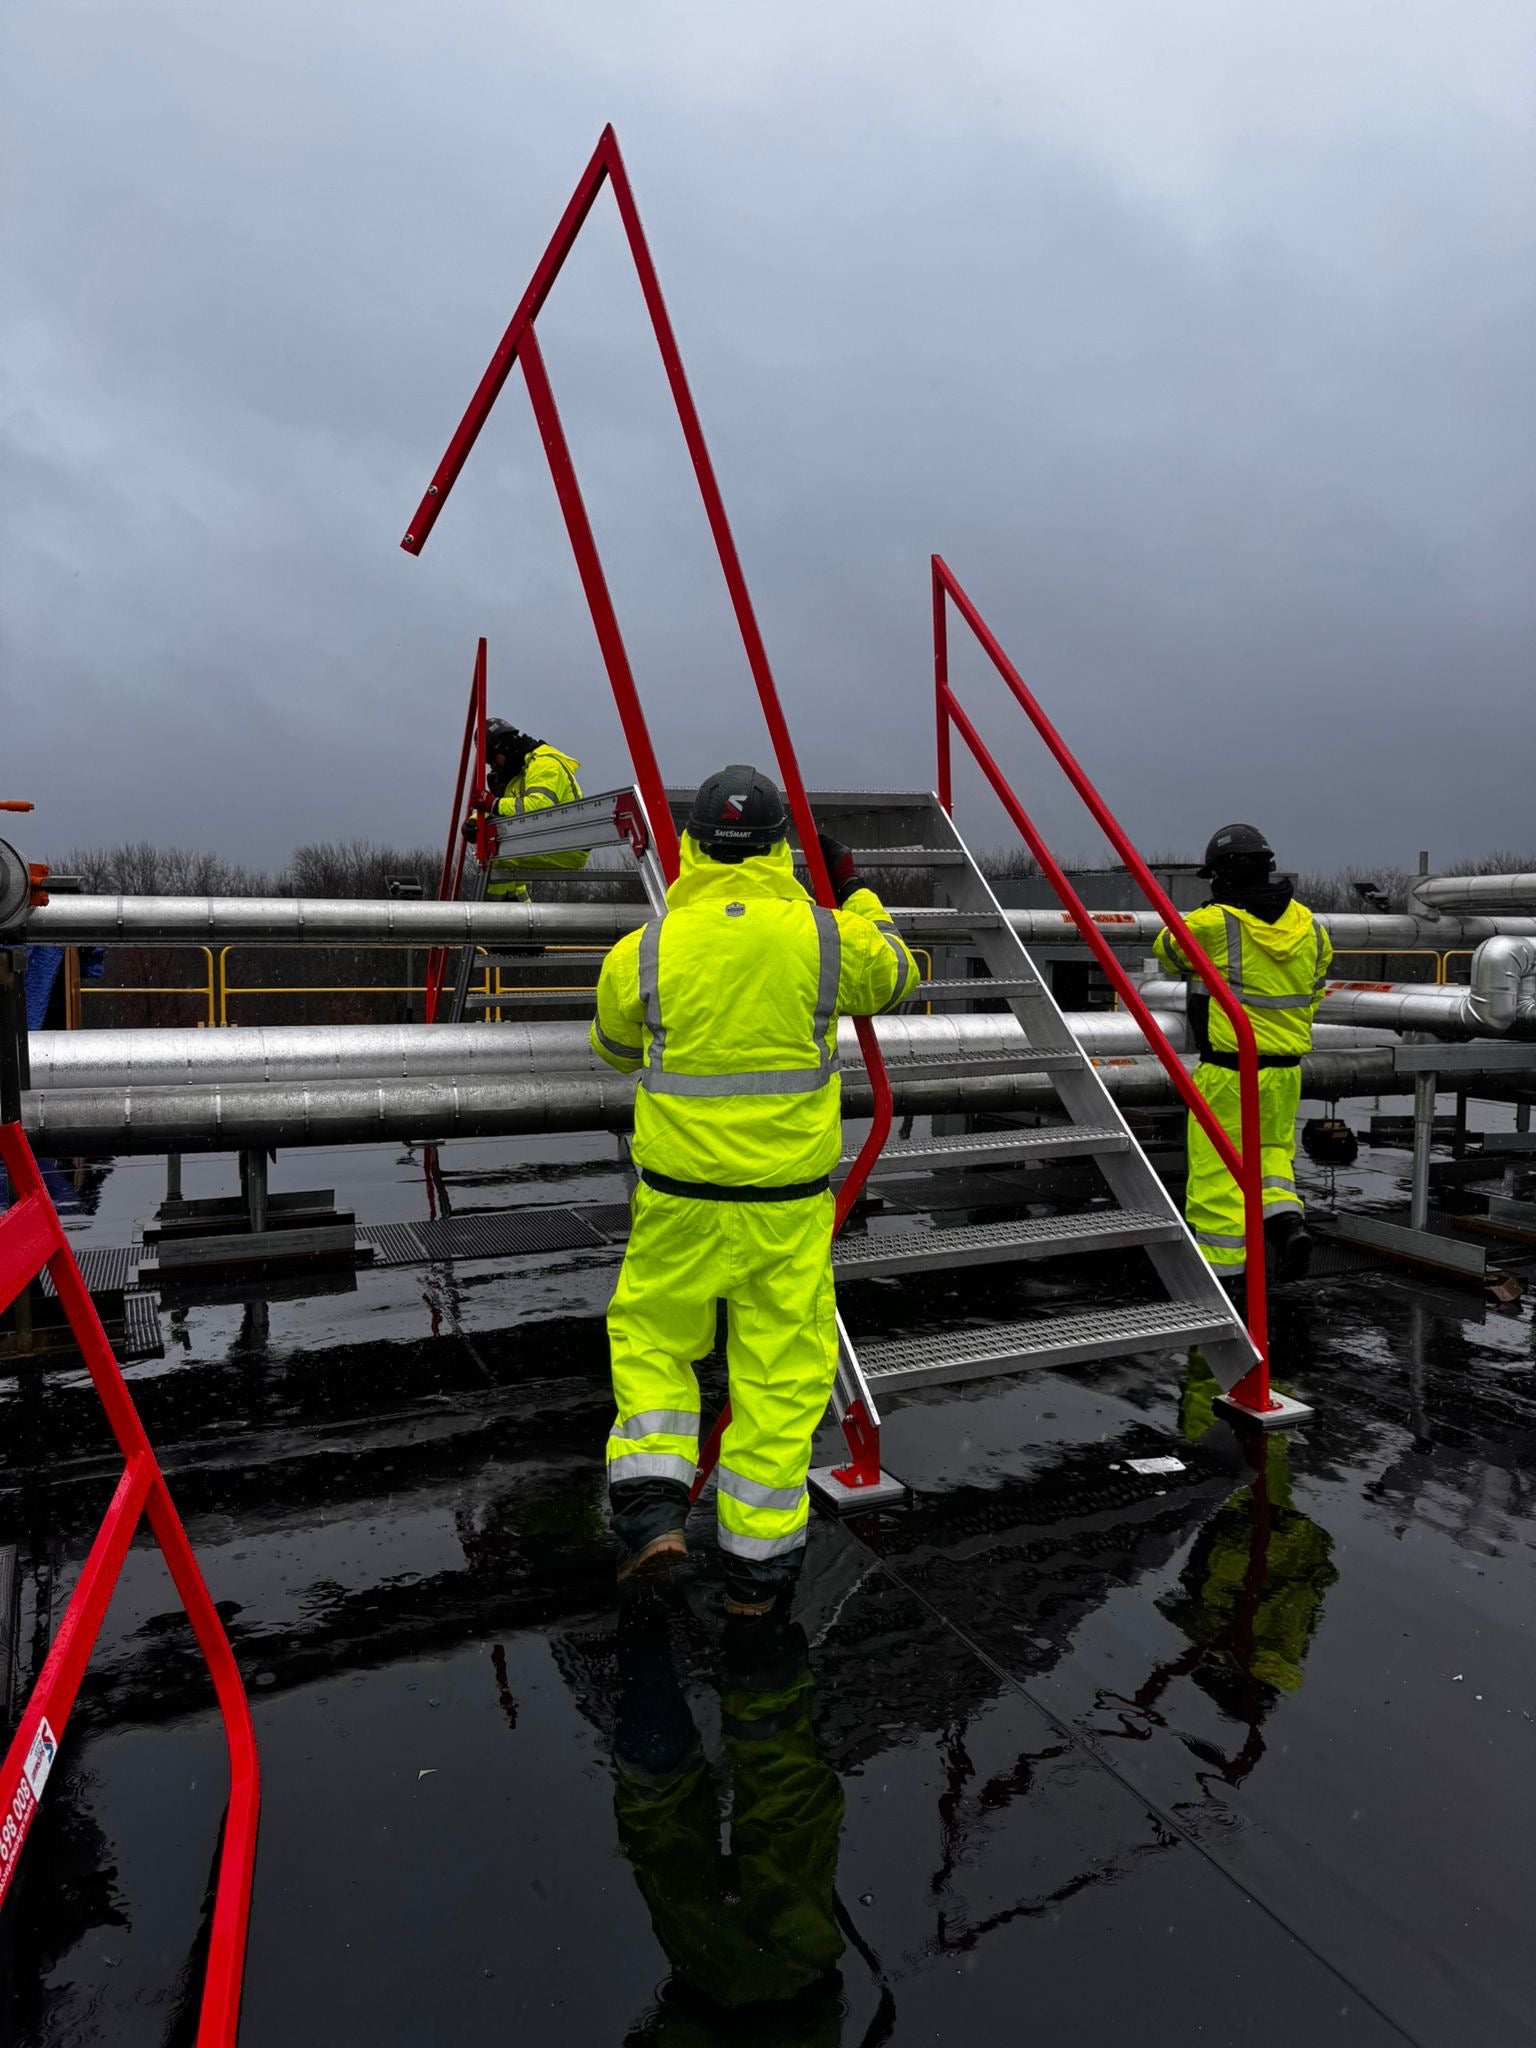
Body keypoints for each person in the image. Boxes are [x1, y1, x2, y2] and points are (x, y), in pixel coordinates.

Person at [590, 765, 919, 1613]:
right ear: (781, 849)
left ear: (693, 845)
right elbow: (898, 974)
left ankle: (652, 1509)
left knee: (655, 1340)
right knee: (777, 1378)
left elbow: (614, 1049)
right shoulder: (827, 938)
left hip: (679, 1197)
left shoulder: (648, 947)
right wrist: (852, 891)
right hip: (785, 1208)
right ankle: (756, 1580)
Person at [1154, 823, 1332, 1287]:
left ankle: (1223, 1279)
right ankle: (1287, 1225)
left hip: (1230, 1071)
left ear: (1222, 874)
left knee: (1217, 1170)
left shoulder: (1214, 923)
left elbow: (1167, 950)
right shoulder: (1310, 925)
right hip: (1286, 1071)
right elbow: (1315, 991)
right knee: (1271, 1154)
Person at [463, 718, 589, 901]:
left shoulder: (544, 764)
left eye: (491, 758)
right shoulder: (517, 775)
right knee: (505, 857)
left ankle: (495, 913)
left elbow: (539, 809)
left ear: (503, 747)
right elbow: (504, 809)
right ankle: (517, 911)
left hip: (569, 844)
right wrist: (475, 822)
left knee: (498, 857)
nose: (493, 766)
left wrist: (492, 803)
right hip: (546, 837)